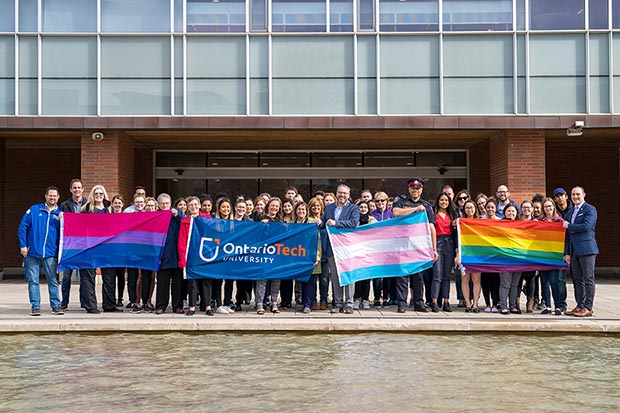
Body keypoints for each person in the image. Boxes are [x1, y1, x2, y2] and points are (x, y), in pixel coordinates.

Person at [392, 177, 437, 313]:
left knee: (418, 276)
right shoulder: (401, 202)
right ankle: (401, 303)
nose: (415, 190)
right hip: (402, 245)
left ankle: (419, 302)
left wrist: (434, 249)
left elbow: (431, 228)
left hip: (419, 246)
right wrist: (415, 209)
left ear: (421, 190)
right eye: (413, 188)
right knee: (402, 276)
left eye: (417, 188)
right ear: (409, 189)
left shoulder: (427, 206)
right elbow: (396, 213)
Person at [18, 186, 64, 316]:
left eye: (54, 196)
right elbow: (23, 228)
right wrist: (23, 245)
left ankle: (56, 306)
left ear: (58, 197)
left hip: (50, 253)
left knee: (53, 280)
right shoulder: (34, 210)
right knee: (33, 280)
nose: (52, 198)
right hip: (32, 252)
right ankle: (35, 306)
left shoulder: (60, 214)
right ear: (45, 196)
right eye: (50, 195)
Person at [80, 185, 121, 314]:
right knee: (88, 277)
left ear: (104, 195)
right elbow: (80, 226)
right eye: (96, 193)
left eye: (101, 194)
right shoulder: (86, 209)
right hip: (90, 246)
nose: (98, 196)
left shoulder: (109, 209)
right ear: (92, 194)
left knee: (109, 277)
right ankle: (91, 306)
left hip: (107, 247)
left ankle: (109, 305)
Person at [323, 184, 360, 314]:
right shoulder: (328, 208)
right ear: (336, 193)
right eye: (340, 193)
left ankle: (349, 303)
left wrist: (336, 223)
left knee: (349, 275)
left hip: (347, 248)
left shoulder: (354, 208)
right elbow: (324, 224)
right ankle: (338, 303)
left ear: (348, 195)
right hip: (332, 248)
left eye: (344, 193)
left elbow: (353, 223)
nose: (342, 195)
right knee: (335, 277)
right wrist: (319, 223)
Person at [563, 186, 598, 317]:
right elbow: (567, 235)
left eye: (578, 194)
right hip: (574, 251)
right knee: (577, 279)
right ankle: (580, 305)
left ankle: (588, 307)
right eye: (573, 194)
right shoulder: (570, 212)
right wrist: (567, 253)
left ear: (584, 194)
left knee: (588, 278)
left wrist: (570, 225)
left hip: (587, 249)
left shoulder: (590, 209)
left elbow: (587, 226)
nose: (575, 197)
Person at [178, 196, 214, 316]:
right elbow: (182, 241)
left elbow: (212, 234)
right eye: (191, 205)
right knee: (192, 282)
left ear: (199, 206)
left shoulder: (207, 219)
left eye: (195, 204)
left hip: (204, 255)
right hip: (191, 256)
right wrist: (182, 259)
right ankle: (192, 307)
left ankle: (208, 306)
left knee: (206, 281)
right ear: (188, 208)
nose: (193, 207)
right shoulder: (185, 222)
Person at [59, 178, 87, 310]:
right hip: (69, 245)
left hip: (84, 244)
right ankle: (64, 303)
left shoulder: (88, 204)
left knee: (84, 276)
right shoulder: (64, 205)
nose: (77, 190)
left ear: (82, 189)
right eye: (74, 188)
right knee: (66, 277)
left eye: (79, 188)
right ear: (71, 190)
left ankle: (83, 303)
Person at [155, 193, 184, 314]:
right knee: (162, 283)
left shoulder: (177, 214)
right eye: (162, 203)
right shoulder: (155, 216)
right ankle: (161, 306)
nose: (164, 205)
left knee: (178, 283)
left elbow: (185, 224)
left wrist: (177, 216)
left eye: (166, 203)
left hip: (176, 254)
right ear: (158, 204)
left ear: (170, 203)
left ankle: (177, 305)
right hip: (162, 254)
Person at [255, 197, 284, 314]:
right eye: (273, 205)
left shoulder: (280, 220)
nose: (274, 208)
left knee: (276, 279)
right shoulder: (260, 218)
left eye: (277, 206)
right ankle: (259, 304)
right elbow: (255, 235)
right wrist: (261, 226)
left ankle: (274, 302)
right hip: (263, 253)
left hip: (277, 253)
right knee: (262, 279)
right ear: (268, 206)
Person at [430, 192, 457, 312]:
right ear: (438, 201)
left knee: (446, 276)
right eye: (442, 200)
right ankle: (434, 301)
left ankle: (446, 301)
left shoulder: (452, 214)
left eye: (446, 200)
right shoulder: (434, 214)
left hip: (449, 244)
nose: (444, 202)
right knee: (437, 275)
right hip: (438, 243)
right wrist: (433, 248)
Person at [294, 201, 322, 314]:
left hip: (310, 255)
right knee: (301, 281)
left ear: (307, 211)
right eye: (299, 209)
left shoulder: (312, 223)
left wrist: (317, 256)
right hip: (296, 255)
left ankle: (308, 304)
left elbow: (318, 240)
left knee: (310, 281)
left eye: (303, 209)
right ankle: (303, 302)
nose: (301, 211)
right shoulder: (293, 223)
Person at [538, 197, 563, 316]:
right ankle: (548, 306)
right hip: (542, 256)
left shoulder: (560, 222)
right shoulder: (539, 222)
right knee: (544, 282)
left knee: (554, 281)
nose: (548, 208)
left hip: (555, 256)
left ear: (553, 207)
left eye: (550, 206)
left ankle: (558, 306)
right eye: (546, 206)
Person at [456, 200, 482, 312]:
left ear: (475, 209)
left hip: (477, 254)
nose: (469, 210)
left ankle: (475, 304)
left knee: (476, 279)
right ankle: (467, 304)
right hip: (464, 254)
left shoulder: (480, 222)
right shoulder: (460, 222)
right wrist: (457, 254)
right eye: (467, 208)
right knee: (465, 279)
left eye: (471, 207)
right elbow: (457, 239)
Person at [370, 191, 395, 307]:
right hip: (376, 248)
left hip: (388, 248)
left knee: (387, 276)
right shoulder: (372, 214)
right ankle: (376, 298)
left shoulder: (392, 214)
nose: (380, 203)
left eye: (382, 200)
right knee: (376, 275)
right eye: (377, 201)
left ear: (387, 201)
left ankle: (386, 297)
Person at [352, 201, 377, 310]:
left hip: (368, 252)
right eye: (361, 207)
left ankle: (365, 299)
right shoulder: (353, 220)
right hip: (356, 252)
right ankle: (357, 298)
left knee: (367, 278)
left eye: (365, 207)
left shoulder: (373, 220)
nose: (363, 209)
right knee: (358, 277)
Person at [497, 204, 522, 315]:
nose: (511, 213)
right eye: (509, 211)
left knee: (514, 284)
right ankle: (503, 306)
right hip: (504, 259)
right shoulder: (499, 225)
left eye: (513, 211)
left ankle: (513, 306)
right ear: (505, 212)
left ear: (517, 213)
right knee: (505, 283)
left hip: (518, 259)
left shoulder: (521, 225)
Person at [308, 196, 329, 310]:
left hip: (325, 253)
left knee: (324, 279)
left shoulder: (326, 219)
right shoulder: (308, 220)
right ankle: (313, 300)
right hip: (313, 253)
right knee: (312, 279)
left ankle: (324, 300)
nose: (316, 208)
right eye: (313, 206)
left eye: (318, 206)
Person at [481, 198, 500, 313]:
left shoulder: (500, 221)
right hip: (484, 256)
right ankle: (487, 303)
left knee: (496, 280)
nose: (490, 209)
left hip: (497, 255)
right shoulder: (480, 221)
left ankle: (495, 303)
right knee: (485, 280)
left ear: (496, 209)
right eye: (488, 207)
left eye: (492, 207)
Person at [110, 195, 126, 307]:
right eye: (115, 203)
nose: (117, 205)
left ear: (122, 205)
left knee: (121, 276)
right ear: (112, 204)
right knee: (110, 277)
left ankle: (120, 298)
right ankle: (111, 298)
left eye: (119, 203)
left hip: (122, 251)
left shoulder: (127, 217)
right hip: (110, 251)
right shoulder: (108, 216)